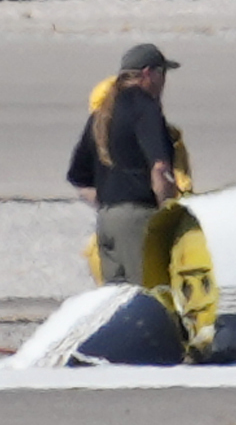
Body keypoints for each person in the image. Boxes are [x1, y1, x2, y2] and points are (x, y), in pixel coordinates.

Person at [67, 43, 181, 285]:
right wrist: (168, 214)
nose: (164, 82)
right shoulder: (145, 108)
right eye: (163, 73)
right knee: (152, 296)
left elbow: (79, 179)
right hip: (138, 219)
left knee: (118, 302)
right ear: (149, 73)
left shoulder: (102, 112)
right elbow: (160, 168)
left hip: (107, 220)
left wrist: (112, 202)